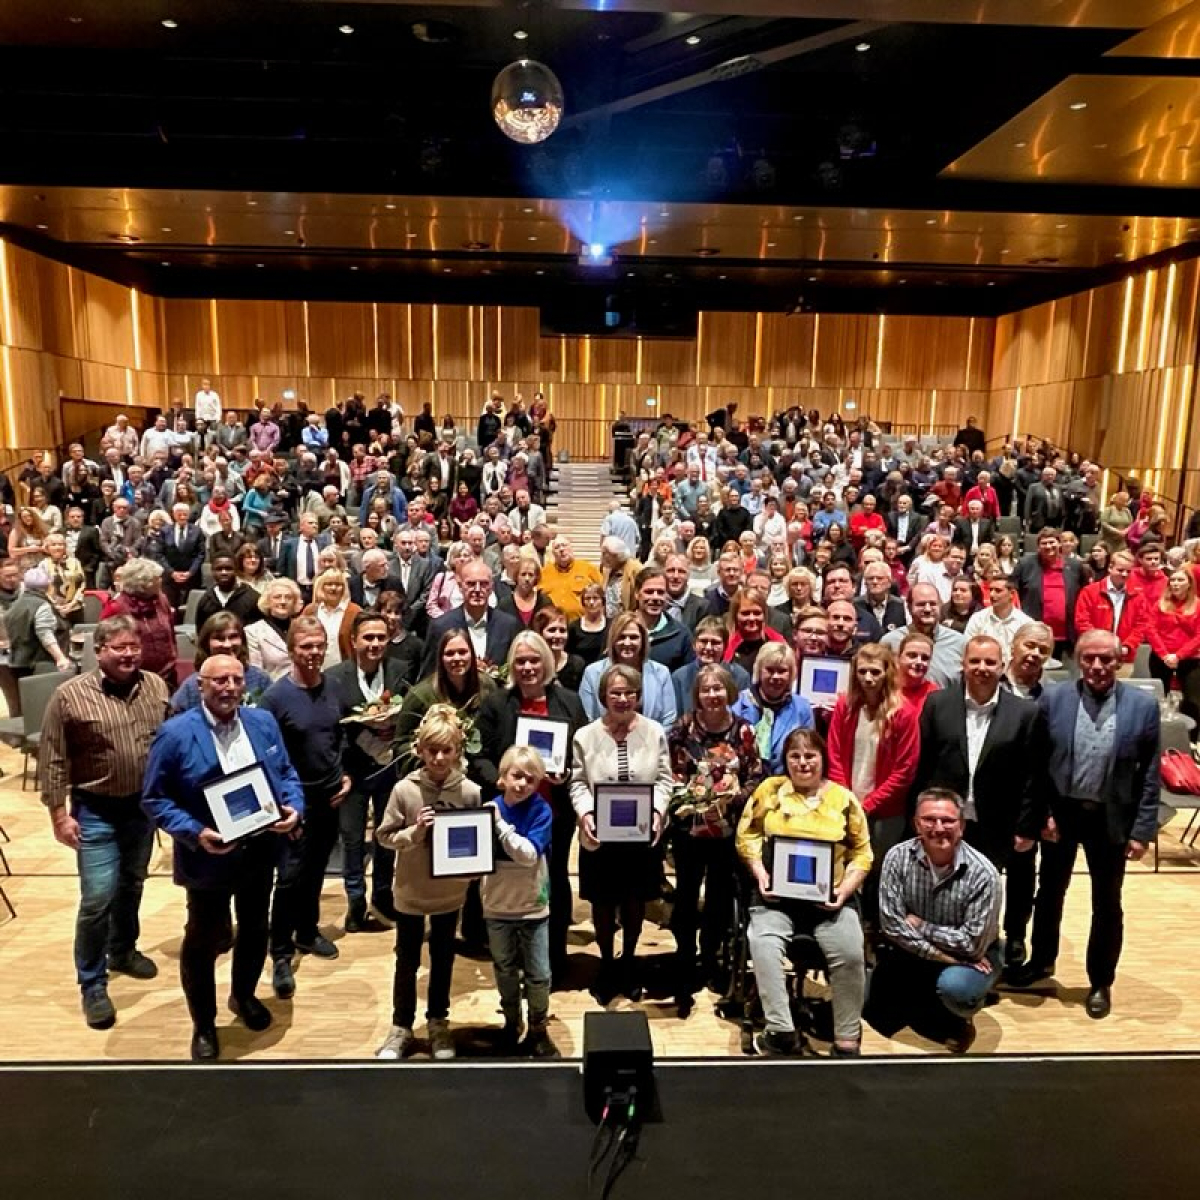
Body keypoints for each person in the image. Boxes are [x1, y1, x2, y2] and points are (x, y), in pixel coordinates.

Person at [141, 653, 304, 1061]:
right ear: (201, 685)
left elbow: (285, 774)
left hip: (259, 850)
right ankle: (204, 1023)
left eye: (236, 680)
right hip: (207, 856)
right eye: (220, 681)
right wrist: (196, 832)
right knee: (203, 940)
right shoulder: (175, 733)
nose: (229, 687)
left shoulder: (262, 722)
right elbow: (154, 798)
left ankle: (243, 996)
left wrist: (293, 808)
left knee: (253, 929)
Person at [1009, 630, 1160, 1018]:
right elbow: (1037, 765)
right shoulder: (1054, 698)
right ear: (1077, 659)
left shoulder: (1143, 706)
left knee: (1106, 903)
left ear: (1120, 660)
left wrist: (1143, 831)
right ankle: (1042, 961)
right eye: (1089, 658)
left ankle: (1100, 980)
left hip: (1112, 819)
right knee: (1049, 893)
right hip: (1061, 815)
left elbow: (1149, 773)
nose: (1097, 666)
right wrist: (1041, 814)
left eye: (1106, 659)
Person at [39, 616, 169, 1030]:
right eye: (119, 648)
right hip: (95, 809)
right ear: (99, 651)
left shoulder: (156, 687)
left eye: (134, 646)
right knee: (97, 898)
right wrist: (58, 814)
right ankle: (92, 982)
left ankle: (123, 950)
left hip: (142, 808)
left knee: (133, 883)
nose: (129, 654)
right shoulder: (69, 696)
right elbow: (53, 758)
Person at [913, 635, 1048, 970]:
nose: (982, 669)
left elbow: (1035, 775)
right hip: (950, 823)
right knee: (955, 890)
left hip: (1002, 821)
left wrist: (1028, 826)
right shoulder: (937, 705)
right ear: (963, 664)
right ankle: (959, 956)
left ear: (1002, 667)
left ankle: (1006, 944)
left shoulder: (1025, 713)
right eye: (975, 661)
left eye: (990, 662)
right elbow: (925, 767)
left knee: (1004, 890)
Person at [736, 727, 872, 1056]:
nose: (803, 763)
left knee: (852, 953)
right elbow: (746, 835)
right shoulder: (770, 790)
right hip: (776, 899)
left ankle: (846, 1036)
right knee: (763, 946)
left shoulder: (844, 799)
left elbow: (863, 853)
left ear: (823, 759)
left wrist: (844, 891)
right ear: (785, 760)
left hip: (830, 900)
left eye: (810, 756)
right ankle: (781, 1031)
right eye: (795, 756)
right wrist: (760, 873)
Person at [474, 631, 587, 980]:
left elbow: (581, 755)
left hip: (554, 809)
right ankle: (516, 960)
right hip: (510, 811)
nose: (527, 667)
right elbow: (478, 754)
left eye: (534, 660)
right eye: (520, 661)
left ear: (547, 662)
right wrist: (501, 779)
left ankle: (553, 959)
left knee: (553, 878)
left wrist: (565, 773)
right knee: (515, 879)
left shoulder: (568, 702)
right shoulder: (496, 704)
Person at [375, 705, 483, 1062]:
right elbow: (384, 836)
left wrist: (473, 870)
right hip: (410, 891)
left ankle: (438, 1022)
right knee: (406, 961)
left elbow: (474, 845)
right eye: (431, 750)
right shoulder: (404, 791)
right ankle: (401, 1026)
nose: (439, 758)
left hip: (450, 894)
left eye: (446, 750)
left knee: (443, 960)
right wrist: (415, 832)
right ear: (419, 750)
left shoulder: (469, 792)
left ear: (458, 751)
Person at [865, 788, 1002, 1053]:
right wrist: (945, 957)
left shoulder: (985, 874)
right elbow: (892, 925)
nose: (939, 828)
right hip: (927, 953)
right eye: (929, 819)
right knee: (870, 1007)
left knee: (956, 990)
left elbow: (971, 945)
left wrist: (922, 925)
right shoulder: (897, 857)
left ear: (961, 826)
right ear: (917, 824)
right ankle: (925, 998)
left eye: (948, 821)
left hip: (975, 957)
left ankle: (958, 1013)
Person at [570, 664, 674, 1004]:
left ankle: (628, 960)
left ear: (638, 696)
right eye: (615, 693)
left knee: (634, 900)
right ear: (603, 696)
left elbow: (664, 779)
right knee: (602, 900)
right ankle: (606, 963)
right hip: (599, 834)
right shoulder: (585, 736)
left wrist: (658, 811)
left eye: (629, 693)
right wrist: (585, 813)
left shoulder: (655, 731)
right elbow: (577, 782)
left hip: (641, 833)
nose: (623, 699)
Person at [261, 617, 352, 1000]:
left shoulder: (333, 686)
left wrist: (345, 775)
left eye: (319, 646)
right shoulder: (275, 698)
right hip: (293, 804)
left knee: (315, 870)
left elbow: (340, 736)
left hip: (329, 797)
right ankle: (280, 951)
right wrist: (284, 804)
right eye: (305, 647)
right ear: (291, 649)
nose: (313, 653)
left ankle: (307, 931)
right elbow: (268, 757)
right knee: (289, 878)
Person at [668, 664, 763, 1016]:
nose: (712, 695)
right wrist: (693, 800)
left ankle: (711, 958)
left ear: (729, 692)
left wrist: (731, 800)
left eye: (718, 689)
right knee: (687, 894)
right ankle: (684, 958)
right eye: (706, 689)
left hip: (728, 827)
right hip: (690, 827)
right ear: (697, 694)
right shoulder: (682, 727)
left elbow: (756, 774)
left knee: (721, 896)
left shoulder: (744, 731)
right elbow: (673, 773)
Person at [327, 611, 412, 930]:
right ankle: (355, 900)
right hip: (353, 771)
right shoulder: (336, 677)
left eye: (381, 637)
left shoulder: (401, 671)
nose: (375, 643)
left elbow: (412, 713)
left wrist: (395, 728)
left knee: (386, 836)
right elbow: (332, 727)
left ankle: (382, 895)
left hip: (389, 769)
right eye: (368, 637)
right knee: (351, 838)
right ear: (354, 641)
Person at [826, 644, 920, 898]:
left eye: (875, 672)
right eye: (863, 671)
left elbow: (905, 769)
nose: (868, 678)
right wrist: (846, 799)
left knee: (877, 872)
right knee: (843, 868)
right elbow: (833, 754)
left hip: (886, 811)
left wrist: (868, 804)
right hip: (845, 803)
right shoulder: (845, 705)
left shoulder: (904, 713)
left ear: (887, 673)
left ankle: (876, 926)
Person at [482, 746, 557, 1056]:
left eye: (531, 779)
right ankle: (511, 1022)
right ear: (503, 777)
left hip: (532, 907)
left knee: (540, 975)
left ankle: (538, 1027)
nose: (523, 784)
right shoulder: (486, 809)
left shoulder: (541, 811)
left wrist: (499, 824)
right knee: (504, 969)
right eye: (517, 776)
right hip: (497, 906)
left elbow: (527, 856)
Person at [421, 558, 520, 678]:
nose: (477, 590)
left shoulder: (508, 625)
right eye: (471, 584)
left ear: (491, 587)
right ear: (460, 586)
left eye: (483, 584)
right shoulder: (441, 626)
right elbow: (429, 674)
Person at [579, 611, 677, 727]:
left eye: (633, 637)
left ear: (643, 640)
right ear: (613, 640)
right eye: (621, 637)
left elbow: (668, 721)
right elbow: (587, 720)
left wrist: (651, 741)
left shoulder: (662, 673)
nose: (627, 642)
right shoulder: (592, 673)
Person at [731, 643, 815, 775]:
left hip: (787, 782)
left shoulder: (802, 708)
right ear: (759, 670)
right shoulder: (738, 703)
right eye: (770, 670)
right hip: (744, 781)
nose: (775, 677)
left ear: (791, 673)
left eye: (782, 671)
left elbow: (808, 752)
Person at [169, 612, 273, 713]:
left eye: (233, 637)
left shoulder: (260, 679)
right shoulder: (192, 686)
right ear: (206, 644)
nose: (227, 645)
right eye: (219, 638)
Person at [101, 559, 178, 688]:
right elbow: (105, 642)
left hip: (167, 675)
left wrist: (173, 655)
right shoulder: (116, 607)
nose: (161, 581)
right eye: (157, 578)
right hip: (133, 679)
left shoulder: (162, 600)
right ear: (143, 583)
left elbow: (171, 631)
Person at [1012, 527, 1085, 656]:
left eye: (1052, 542)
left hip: (1067, 636)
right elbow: (1012, 590)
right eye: (1044, 543)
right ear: (1038, 546)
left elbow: (1084, 593)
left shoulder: (1075, 566)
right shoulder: (1025, 564)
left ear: (1059, 543)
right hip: (1035, 634)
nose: (1048, 546)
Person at [1142, 568, 1200, 726]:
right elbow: (1150, 629)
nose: (1175, 583)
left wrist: (1178, 656)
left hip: (1189, 658)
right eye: (1172, 580)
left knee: (1193, 701)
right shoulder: (1160, 604)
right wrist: (1164, 654)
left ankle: (1191, 741)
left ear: (1189, 584)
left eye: (1180, 580)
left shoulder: (1197, 605)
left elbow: (1198, 636)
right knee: (1159, 697)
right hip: (1161, 657)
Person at [881, 583, 965, 688]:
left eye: (933, 604)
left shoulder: (959, 643)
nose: (928, 609)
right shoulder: (890, 642)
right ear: (909, 607)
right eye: (921, 604)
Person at [672, 616, 752, 716]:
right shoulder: (679, 677)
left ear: (725, 646)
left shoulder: (740, 676)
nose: (709, 647)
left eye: (715, 642)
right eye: (703, 641)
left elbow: (744, 715)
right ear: (694, 644)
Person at [5, 565, 73, 677]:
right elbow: (45, 634)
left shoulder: (15, 606)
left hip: (17, 664)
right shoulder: (41, 605)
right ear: (48, 585)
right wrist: (60, 658)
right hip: (40, 666)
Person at [962, 576, 1032, 663]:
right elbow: (967, 649)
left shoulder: (1026, 623)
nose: (991, 594)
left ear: (1012, 594)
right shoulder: (978, 619)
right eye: (990, 590)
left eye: (998, 591)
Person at [301, 569, 361, 669]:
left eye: (338, 584)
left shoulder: (355, 611)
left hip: (344, 671)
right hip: (314, 669)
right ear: (321, 587)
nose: (333, 588)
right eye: (329, 584)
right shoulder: (310, 611)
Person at [723, 586, 787, 677]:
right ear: (735, 615)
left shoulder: (777, 642)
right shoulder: (726, 643)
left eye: (757, 613)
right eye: (745, 613)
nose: (752, 618)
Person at [539, 536, 602, 622]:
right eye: (557, 548)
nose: (561, 549)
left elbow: (602, 592)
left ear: (571, 549)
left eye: (564, 545)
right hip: (554, 626)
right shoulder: (544, 572)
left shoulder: (588, 568)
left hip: (581, 624)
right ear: (553, 554)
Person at [194, 552, 260, 630]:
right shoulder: (206, 600)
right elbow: (201, 631)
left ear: (236, 570)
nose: (224, 572)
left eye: (228, 569)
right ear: (212, 571)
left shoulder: (253, 598)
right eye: (219, 569)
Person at [531, 605, 585, 694]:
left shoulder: (577, 665)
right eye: (552, 630)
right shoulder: (531, 664)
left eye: (562, 631)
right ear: (539, 633)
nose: (558, 635)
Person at [1004, 621, 1055, 700]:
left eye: (1043, 650)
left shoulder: (1054, 693)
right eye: (1030, 646)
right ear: (1013, 646)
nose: (1036, 654)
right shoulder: (993, 681)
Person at [567, 582, 609, 662]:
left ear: (603, 601)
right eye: (587, 598)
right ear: (583, 602)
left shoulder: (612, 625)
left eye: (595, 598)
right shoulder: (573, 627)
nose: (591, 602)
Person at [897, 630, 939, 710]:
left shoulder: (935, 695)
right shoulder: (886, 689)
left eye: (925, 658)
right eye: (912, 656)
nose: (919, 662)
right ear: (899, 657)